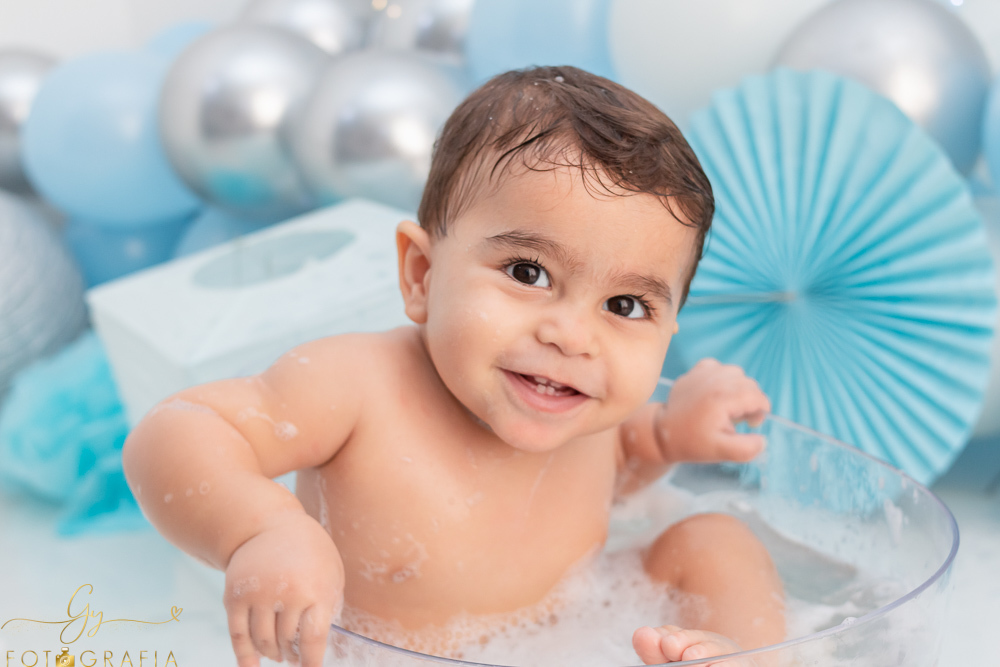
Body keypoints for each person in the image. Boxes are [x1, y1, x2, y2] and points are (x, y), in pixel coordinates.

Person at [122, 65, 784, 667]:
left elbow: (619, 469)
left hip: (587, 632)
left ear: (668, 333)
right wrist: (261, 529)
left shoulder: (587, 408)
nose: (572, 335)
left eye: (625, 304)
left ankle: (741, 656)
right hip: (386, 654)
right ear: (422, 273)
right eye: (529, 272)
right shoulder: (356, 385)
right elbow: (180, 428)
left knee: (714, 539)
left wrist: (671, 434)